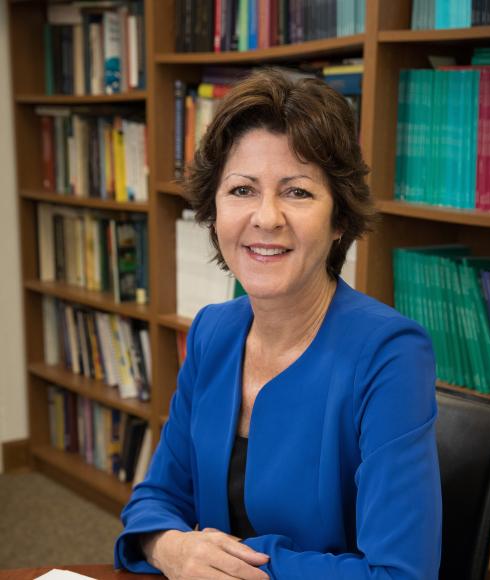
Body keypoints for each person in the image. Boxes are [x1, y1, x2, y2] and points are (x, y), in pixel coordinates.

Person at [114, 68, 442, 579]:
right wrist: (172, 549)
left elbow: (401, 574)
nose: (266, 218)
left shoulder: (390, 353)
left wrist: (236, 563)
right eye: (242, 190)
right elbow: (156, 499)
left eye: (297, 192)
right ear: (214, 210)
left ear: (339, 221)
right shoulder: (212, 332)